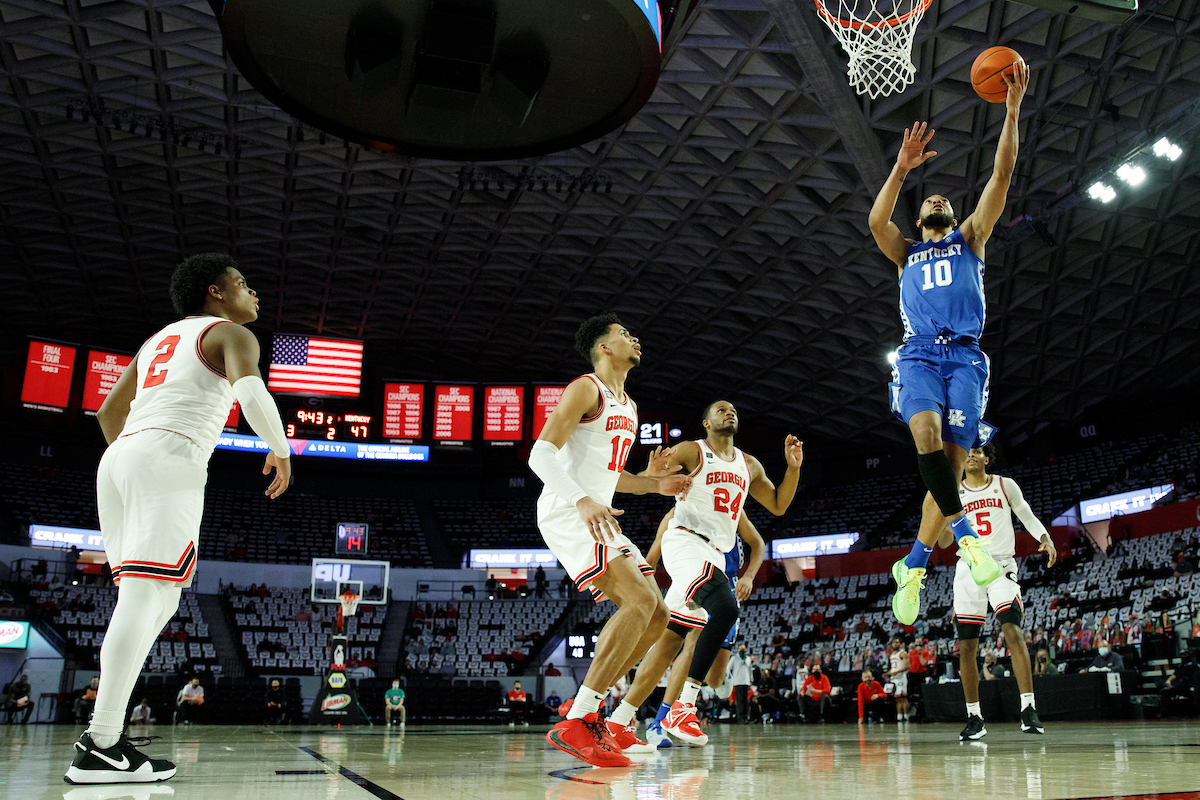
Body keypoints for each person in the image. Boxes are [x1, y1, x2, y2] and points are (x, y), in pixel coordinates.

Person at [65, 254, 293, 785]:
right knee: (147, 597)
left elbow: (106, 413)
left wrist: (135, 457)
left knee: (155, 598)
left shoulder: (157, 340)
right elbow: (250, 391)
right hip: (168, 458)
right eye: (243, 284)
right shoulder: (231, 334)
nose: (252, 294)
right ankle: (100, 741)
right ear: (215, 292)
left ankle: (109, 741)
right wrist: (281, 449)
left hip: (120, 458)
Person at [868, 63, 1031, 626]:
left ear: (955, 215)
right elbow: (875, 220)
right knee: (925, 435)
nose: (936, 199)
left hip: (965, 356)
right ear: (920, 216)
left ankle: (913, 564)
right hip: (917, 353)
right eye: (928, 198)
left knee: (950, 472)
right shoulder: (906, 250)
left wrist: (1010, 113)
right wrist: (901, 166)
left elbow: (1002, 177)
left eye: (943, 198)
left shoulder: (971, 239)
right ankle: (967, 542)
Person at [528, 313, 691, 768]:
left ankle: (589, 713)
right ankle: (578, 720)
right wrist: (581, 501)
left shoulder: (630, 406)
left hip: (599, 512)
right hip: (568, 509)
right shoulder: (586, 388)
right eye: (622, 334)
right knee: (639, 601)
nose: (633, 337)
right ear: (604, 348)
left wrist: (651, 484)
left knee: (658, 616)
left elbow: (611, 477)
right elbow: (540, 454)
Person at [605, 401, 801, 747]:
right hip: (684, 542)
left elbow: (778, 505)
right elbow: (652, 480)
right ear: (706, 422)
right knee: (725, 609)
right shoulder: (692, 451)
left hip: (714, 551)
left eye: (734, 410)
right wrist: (652, 475)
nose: (730, 412)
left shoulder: (749, 464)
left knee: (669, 642)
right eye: (722, 410)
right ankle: (684, 707)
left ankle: (618, 722)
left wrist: (793, 469)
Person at [953, 443, 1057, 740]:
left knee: (1012, 629)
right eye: (967, 451)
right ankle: (974, 717)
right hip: (968, 569)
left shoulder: (1004, 484)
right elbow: (946, 542)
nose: (971, 454)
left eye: (977, 451)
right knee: (967, 646)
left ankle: (1028, 708)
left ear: (988, 458)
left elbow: (1025, 513)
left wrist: (1045, 538)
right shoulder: (954, 492)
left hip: (1000, 566)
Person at [644, 505, 768, 748]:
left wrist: (749, 576)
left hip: (728, 587)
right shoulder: (680, 511)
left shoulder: (731, 508)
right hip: (693, 579)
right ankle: (660, 721)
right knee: (687, 648)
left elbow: (758, 543)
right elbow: (653, 557)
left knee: (714, 679)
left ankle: (720, 675)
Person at [889, 640, 910, 722]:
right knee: (897, 698)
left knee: (903, 697)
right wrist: (887, 673)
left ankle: (906, 716)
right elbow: (893, 668)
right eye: (893, 642)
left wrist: (897, 672)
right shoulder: (892, 655)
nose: (895, 644)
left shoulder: (903, 653)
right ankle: (899, 716)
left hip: (901, 677)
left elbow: (907, 666)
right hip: (894, 678)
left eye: (897, 642)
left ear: (900, 644)